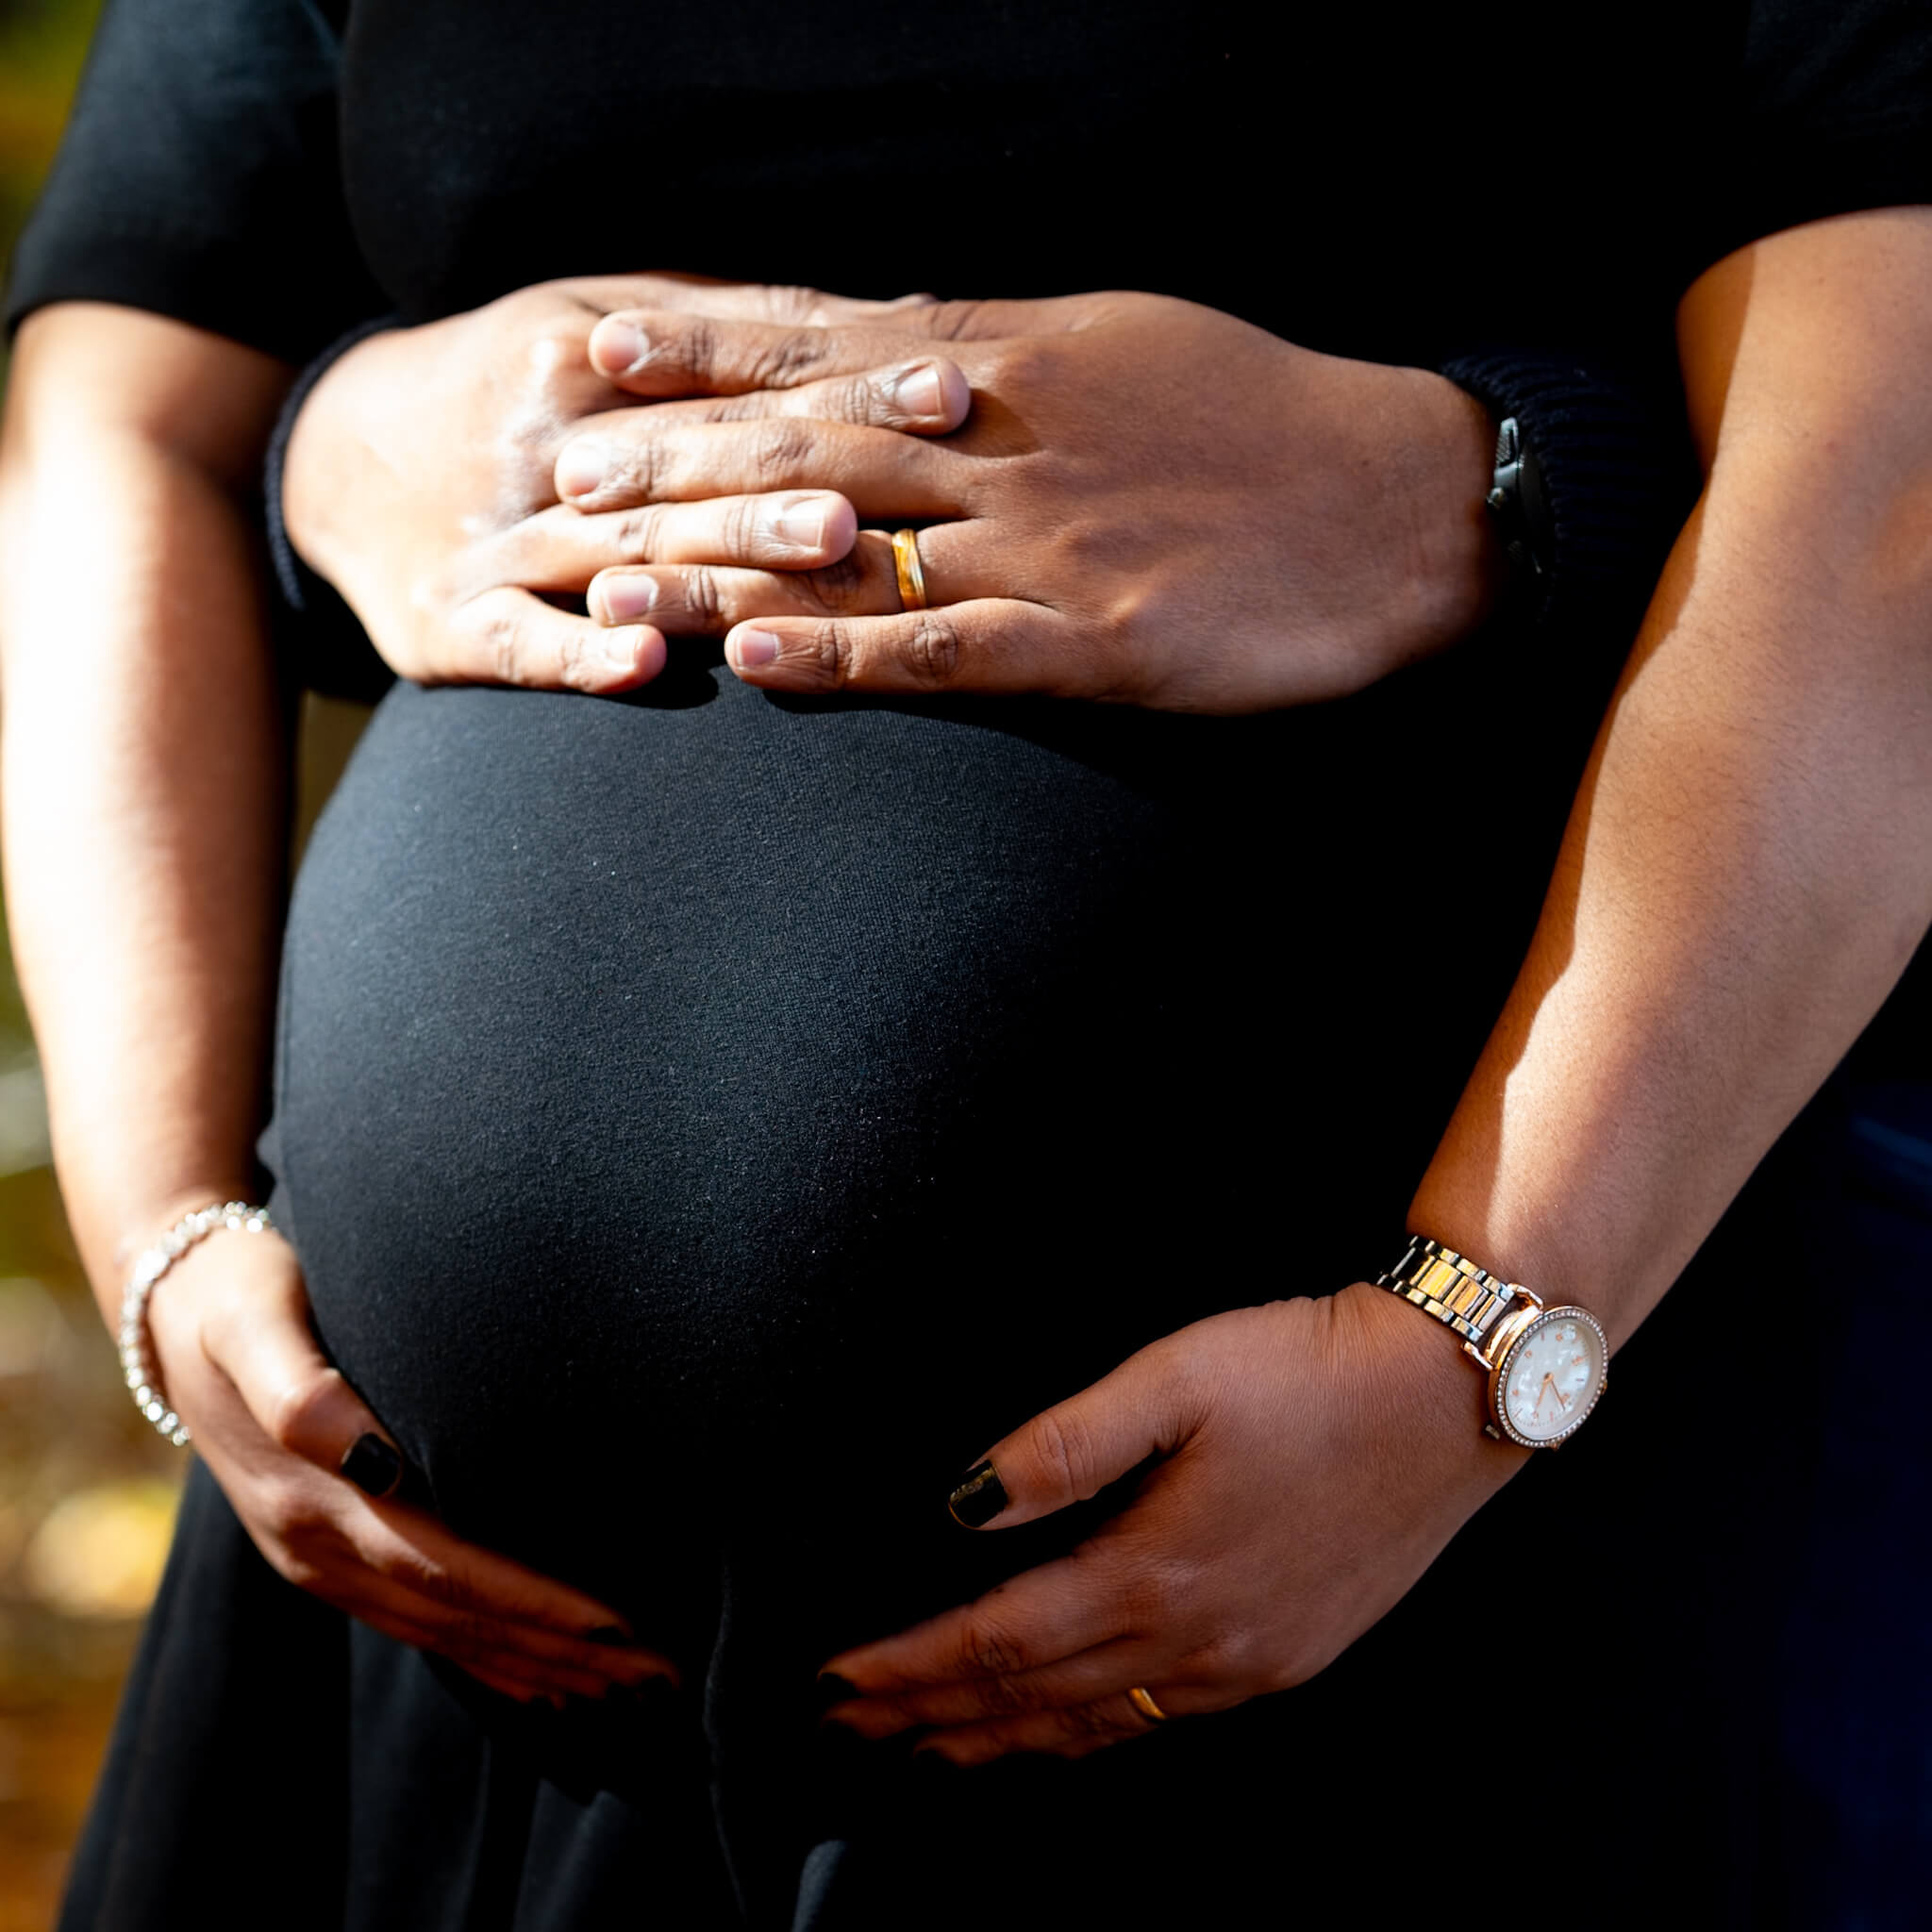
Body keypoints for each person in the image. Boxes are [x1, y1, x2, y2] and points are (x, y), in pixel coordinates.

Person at [1, 2, 1927, 1926]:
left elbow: (1888, 480)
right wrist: (155, 1226)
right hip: (450, 1675)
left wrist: (1479, 1351)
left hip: (1420, 1576)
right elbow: (119, 404)